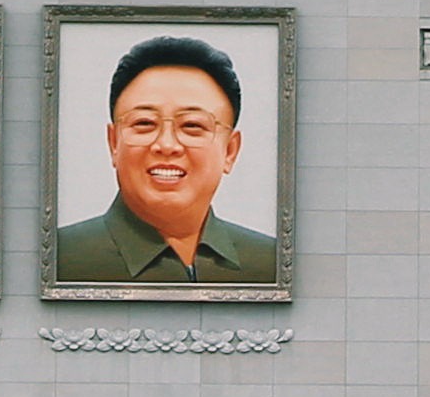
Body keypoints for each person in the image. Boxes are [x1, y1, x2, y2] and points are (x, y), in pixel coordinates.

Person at [53, 32, 284, 282]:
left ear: (230, 150)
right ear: (113, 143)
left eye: (192, 125)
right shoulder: (59, 259)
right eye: (144, 123)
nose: (166, 145)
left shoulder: (272, 264)